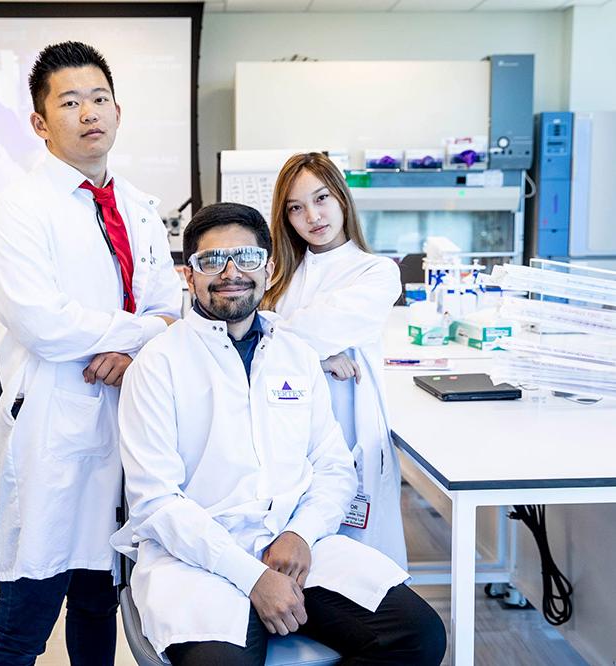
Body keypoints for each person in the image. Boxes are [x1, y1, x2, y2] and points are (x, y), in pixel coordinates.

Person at [114, 203, 446, 666]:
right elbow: (156, 502)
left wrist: (301, 534)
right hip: (197, 559)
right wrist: (251, 577)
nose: (231, 273)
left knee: (418, 636)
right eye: (211, 262)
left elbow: (332, 466)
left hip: (294, 548)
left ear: (268, 269)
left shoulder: (296, 354)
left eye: (246, 259)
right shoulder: (158, 364)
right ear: (188, 277)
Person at [0, 41, 182, 666]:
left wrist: (134, 347)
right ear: (41, 123)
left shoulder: (140, 209)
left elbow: (170, 308)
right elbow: (43, 323)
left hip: (128, 426)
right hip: (55, 429)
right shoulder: (20, 208)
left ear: (118, 111)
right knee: (27, 616)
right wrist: (140, 332)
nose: (89, 112)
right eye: (70, 102)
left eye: (99, 99)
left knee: (101, 605)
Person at [260, 152, 407, 568]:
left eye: (321, 198)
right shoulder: (278, 277)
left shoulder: (376, 272)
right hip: (286, 435)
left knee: (359, 567)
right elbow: (249, 335)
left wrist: (289, 338)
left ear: (342, 198)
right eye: (296, 207)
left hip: (350, 435)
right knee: (291, 556)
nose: (313, 215)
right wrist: (318, 357)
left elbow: (287, 331)